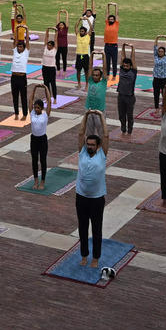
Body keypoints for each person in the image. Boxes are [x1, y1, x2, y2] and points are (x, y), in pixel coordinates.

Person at [74, 112, 110, 268]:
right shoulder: (82, 153)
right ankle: (84, 255)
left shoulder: (102, 154)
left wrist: (101, 116)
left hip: (96, 199)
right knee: (82, 228)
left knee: (96, 229)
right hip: (81, 197)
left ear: (98, 146)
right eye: (88, 144)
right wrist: (87, 115)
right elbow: (81, 132)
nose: (89, 146)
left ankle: (96, 257)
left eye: (92, 145)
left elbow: (106, 134)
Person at [28, 86, 50, 189]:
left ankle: (43, 181)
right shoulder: (32, 113)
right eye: (35, 107)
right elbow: (30, 100)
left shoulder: (45, 115)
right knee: (34, 160)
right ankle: (36, 180)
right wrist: (34, 88)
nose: (36, 109)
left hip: (42, 139)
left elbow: (49, 101)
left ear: (42, 108)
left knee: (43, 160)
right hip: (34, 139)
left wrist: (46, 88)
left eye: (38, 108)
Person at [116, 52, 137, 134]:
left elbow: (133, 60)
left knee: (129, 115)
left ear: (130, 66)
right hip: (120, 96)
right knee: (121, 114)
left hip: (130, 97)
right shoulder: (121, 70)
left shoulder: (133, 72)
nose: (125, 67)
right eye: (124, 65)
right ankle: (123, 127)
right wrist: (123, 47)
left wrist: (132, 48)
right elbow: (122, 57)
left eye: (127, 66)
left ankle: (130, 129)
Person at [9, 38, 30, 119]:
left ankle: (25, 114)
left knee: (23, 97)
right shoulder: (15, 52)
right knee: (15, 96)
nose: (19, 48)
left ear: (24, 48)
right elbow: (15, 41)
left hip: (22, 78)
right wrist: (17, 29)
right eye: (18, 47)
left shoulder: (26, 53)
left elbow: (27, 43)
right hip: (14, 77)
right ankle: (16, 114)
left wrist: (26, 30)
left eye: (21, 47)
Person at [152, 43, 166, 109]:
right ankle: (156, 107)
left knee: (164, 94)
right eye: (159, 51)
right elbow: (155, 47)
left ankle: (165, 107)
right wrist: (157, 38)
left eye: (162, 51)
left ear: (164, 52)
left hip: (164, 79)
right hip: (156, 78)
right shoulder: (156, 57)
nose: (160, 52)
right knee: (156, 94)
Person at [103, 12, 120, 77]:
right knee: (107, 62)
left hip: (114, 46)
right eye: (110, 19)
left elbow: (117, 15)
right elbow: (106, 14)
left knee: (114, 62)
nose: (111, 20)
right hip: (107, 46)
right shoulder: (107, 24)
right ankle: (107, 74)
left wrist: (115, 5)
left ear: (114, 20)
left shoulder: (116, 24)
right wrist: (108, 5)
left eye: (112, 19)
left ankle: (114, 75)